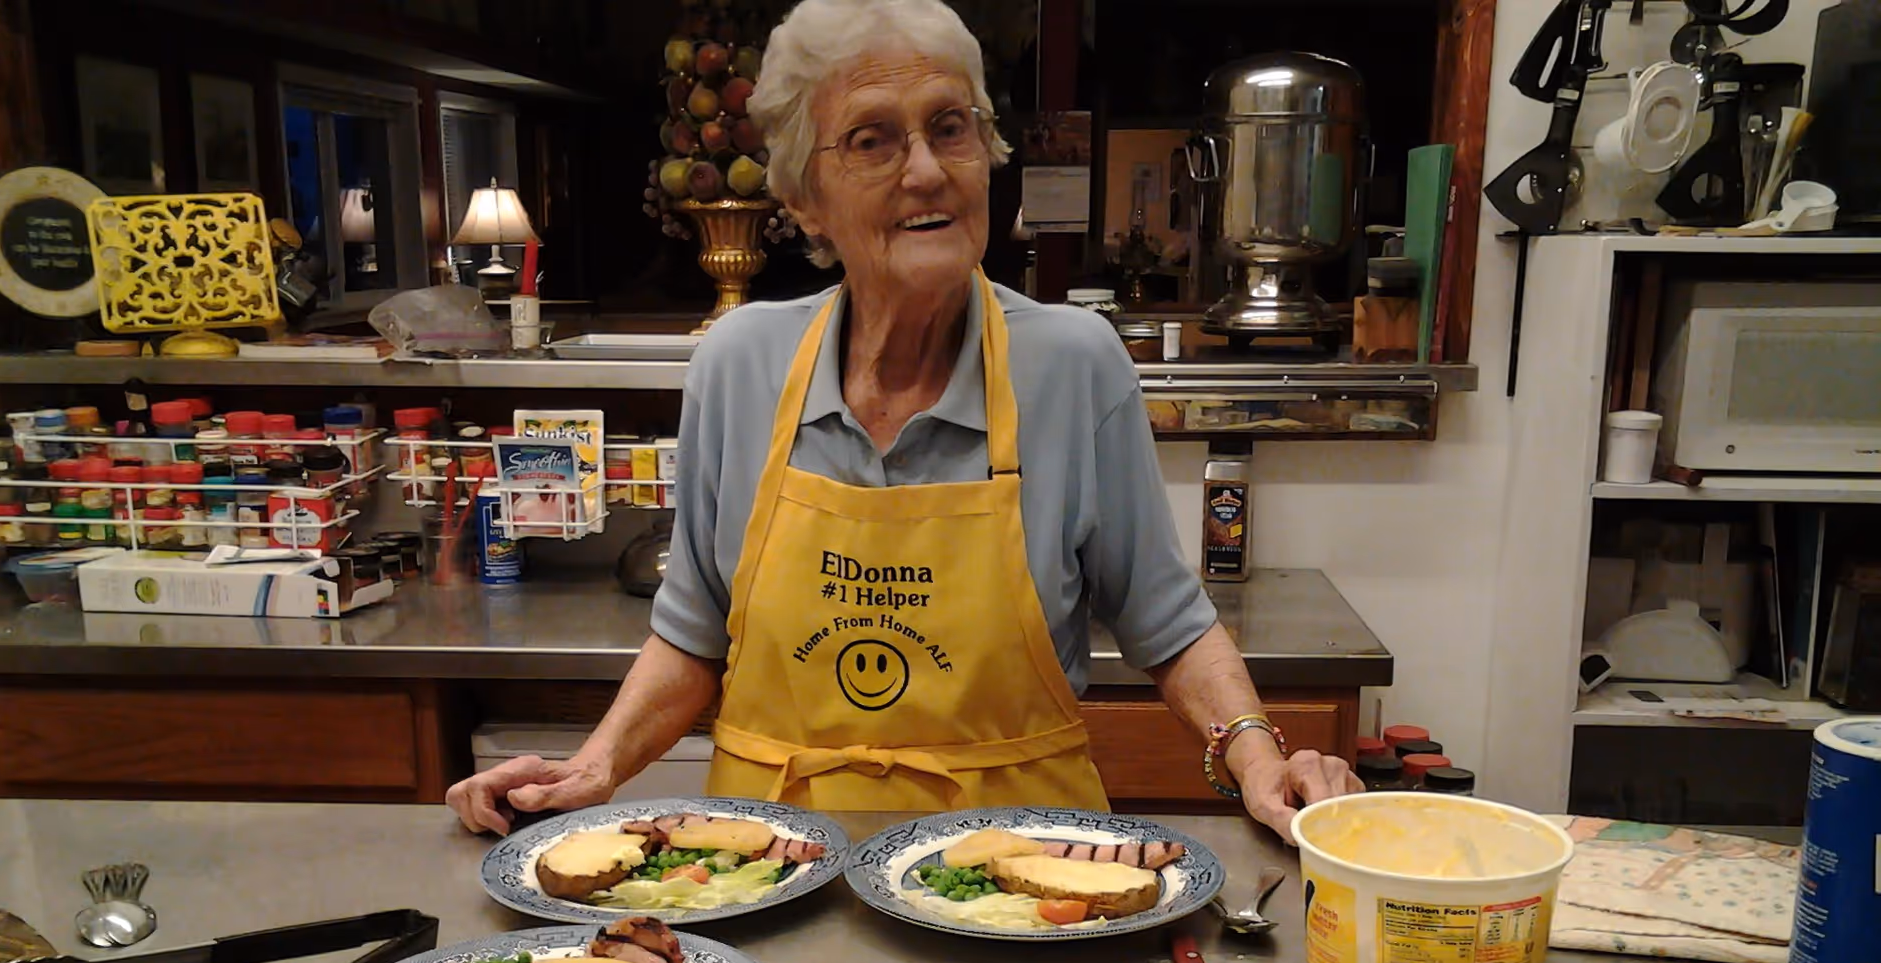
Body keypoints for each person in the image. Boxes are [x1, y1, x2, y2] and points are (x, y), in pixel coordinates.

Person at [448, 0, 1357, 841]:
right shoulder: (739, 364)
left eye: (949, 128)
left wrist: (1257, 755)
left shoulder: (1075, 365)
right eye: (873, 141)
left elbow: (1168, 622)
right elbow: (694, 630)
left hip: (1015, 881)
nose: (926, 170)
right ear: (803, 198)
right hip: (771, 869)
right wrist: (593, 768)